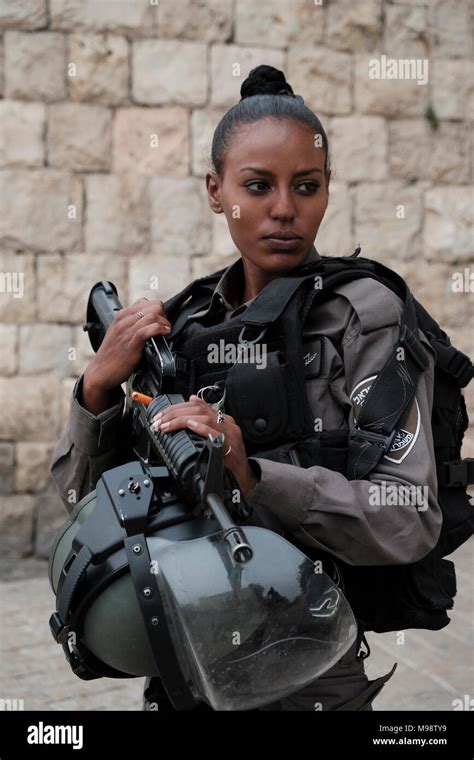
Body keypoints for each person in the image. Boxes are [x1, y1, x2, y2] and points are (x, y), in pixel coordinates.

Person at [50, 65, 442, 712]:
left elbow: (410, 517)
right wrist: (96, 389)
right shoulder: (186, 326)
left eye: (306, 187)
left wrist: (252, 473)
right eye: (257, 186)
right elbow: (82, 504)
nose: (284, 209)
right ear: (215, 190)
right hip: (189, 665)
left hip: (309, 666)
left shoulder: (365, 317)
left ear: (327, 189)